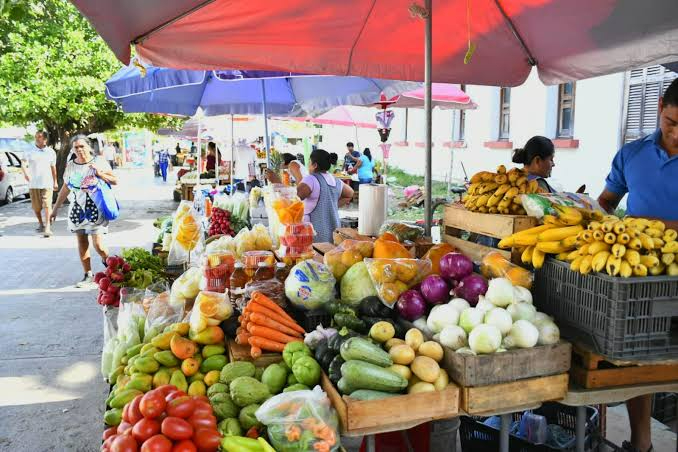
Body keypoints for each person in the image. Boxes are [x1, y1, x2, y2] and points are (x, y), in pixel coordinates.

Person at [597, 79, 678, 452]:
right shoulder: (632, 154)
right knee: (635, 363)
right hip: (640, 277)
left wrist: (654, 226)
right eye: (671, 123)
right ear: (660, 106)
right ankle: (641, 444)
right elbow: (606, 202)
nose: (676, 135)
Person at [51, 136, 117, 287]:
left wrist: (100, 174)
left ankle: (113, 266)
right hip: (77, 209)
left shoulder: (99, 161)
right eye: (76, 148)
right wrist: (55, 209)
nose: (79, 150)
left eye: (82, 146)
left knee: (98, 245)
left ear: (88, 147)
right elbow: (65, 188)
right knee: (81, 241)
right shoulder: (70, 166)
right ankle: (88, 274)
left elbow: (115, 180)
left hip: (97, 209)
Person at [297, 149, 354, 243]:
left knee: (315, 256)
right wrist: (333, 205)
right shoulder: (336, 181)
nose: (308, 165)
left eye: (309, 162)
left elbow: (294, 198)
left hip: (313, 233)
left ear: (314, 165)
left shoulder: (310, 179)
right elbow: (350, 193)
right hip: (333, 231)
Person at [21, 131, 58, 237]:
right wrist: (25, 172)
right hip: (33, 183)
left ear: (45, 139)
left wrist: (55, 182)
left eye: (40, 137)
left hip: (47, 183)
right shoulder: (29, 150)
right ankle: (41, 223)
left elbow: (53, 167)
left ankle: (47, 227)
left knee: (47, 204)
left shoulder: (51, 152)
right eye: (36, 137)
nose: (37, 139)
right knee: (36, 207)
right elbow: (23, 162)